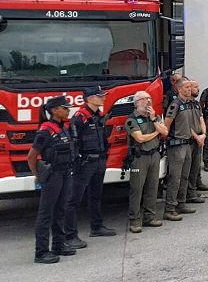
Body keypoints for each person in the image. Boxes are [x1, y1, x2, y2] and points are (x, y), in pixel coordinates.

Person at [63, 86, 116, 251]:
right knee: (73, 199)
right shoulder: (79, 118)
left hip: (99, 160)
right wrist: (76, 162)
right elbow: (73, 142)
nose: (103, 98)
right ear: (90, 98)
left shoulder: (98, 115)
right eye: (100, 96)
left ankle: (97, 227)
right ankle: (70, 236)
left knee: (96, 196)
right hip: (85, 163)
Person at [28, 96, 77, 264]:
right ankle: (41, 252)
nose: (68, 110)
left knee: (60, 210)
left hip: (65, 173)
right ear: (55, 110)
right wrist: (38, 176)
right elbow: (31, 156)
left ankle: (58, 245)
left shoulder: (62, 127)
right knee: (46, 213)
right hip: (52, 175)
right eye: (65, 108)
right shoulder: (45, 130)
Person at [125, 91, 168, 233]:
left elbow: (165, 132)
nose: (148, 101)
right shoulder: (132, 119)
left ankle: (149, 217)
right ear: (137, 103)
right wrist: (156, 133)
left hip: (154, 155)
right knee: (137, 190)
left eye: (149, 98)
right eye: (144, 99)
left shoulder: (154, 117)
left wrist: (154, 119)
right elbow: (140, 138)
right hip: (140, 157)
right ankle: (135, 220)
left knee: (152, 187)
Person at [163, 78, 205, 221]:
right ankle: (169, 208)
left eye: (190, 87)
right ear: (180, 89)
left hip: (187, 143)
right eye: (186, 87)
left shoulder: (189, 104)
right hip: (177, 145)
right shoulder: (175, 104)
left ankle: (181, 203)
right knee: (175, 177)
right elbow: (166, 125)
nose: (189, 89)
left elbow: (195, 122)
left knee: (185, 176)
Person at [185, 79, 208, 203]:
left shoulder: (196, 104)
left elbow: (201, 119)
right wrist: (197, 137)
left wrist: (203, 134)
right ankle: (187, 194)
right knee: (187, 169)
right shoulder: (183, 105)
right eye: (195, 87)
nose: (197, 89)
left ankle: (192, 192)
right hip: (189, 140)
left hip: (199, 139)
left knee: (195, 168)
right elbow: (185, 124)